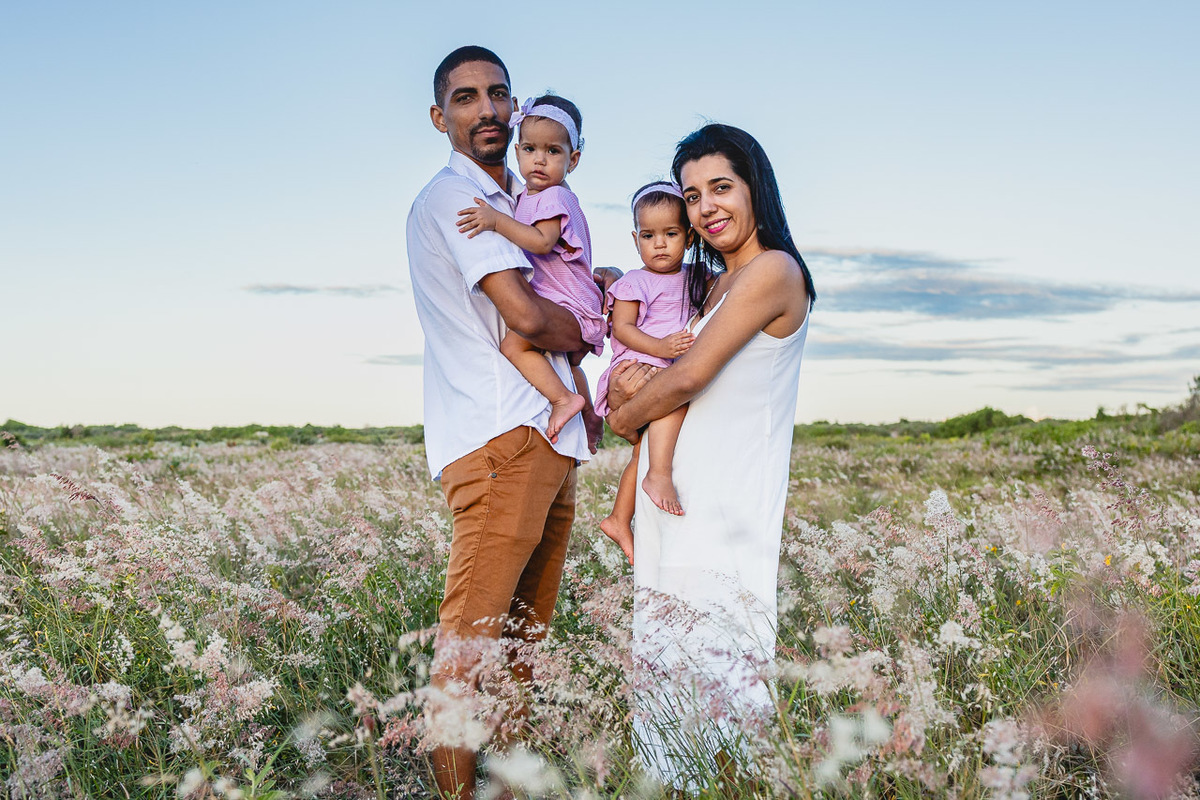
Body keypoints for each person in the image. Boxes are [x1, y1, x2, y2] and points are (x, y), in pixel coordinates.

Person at [405, 46, 615, 800]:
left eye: (498, 95)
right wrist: (593, 328)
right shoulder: (455, 201)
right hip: (502, 441)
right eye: (466, 99)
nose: (486, 110)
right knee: (472, 642)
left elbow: (559, 279)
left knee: (522, 648)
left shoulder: (528, 204)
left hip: (545, 439)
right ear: (441, 117)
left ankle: (511, 789)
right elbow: (523, 315)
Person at [605, 123, 817, 787]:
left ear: (755, 187)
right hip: (675, 503)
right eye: (692, 195)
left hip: (726, 504)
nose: (706, 207)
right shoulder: (712, 285)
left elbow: (688, 377)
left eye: (721, 187)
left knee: (721, 669)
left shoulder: (773, 271)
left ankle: (729, 784)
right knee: (669, 667)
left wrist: (622, 416)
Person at [456, 93, 606, 447]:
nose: (539, 160)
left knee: (515, 348)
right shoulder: (529, 196)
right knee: (567, 366)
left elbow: (541, 241)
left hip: (567, 300)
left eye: (553, 152)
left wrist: (496, 222)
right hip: (567, 298)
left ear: (573, 160)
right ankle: (588, 414)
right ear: (517, 150)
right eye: (529, 150)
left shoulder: (553, 197)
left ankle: (563, 400)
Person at [596, 181, 698, 564]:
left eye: (670, 234)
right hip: (636, 365)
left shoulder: (696, 276)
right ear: (635, 238)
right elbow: (622, 329)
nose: (659, 244)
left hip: (662, 364)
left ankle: (620, 518)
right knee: (674, 401)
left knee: (642, 448)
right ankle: (659, 474)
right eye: (649, 235)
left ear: (688, 237)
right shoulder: (633, 282)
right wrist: (660, 348)